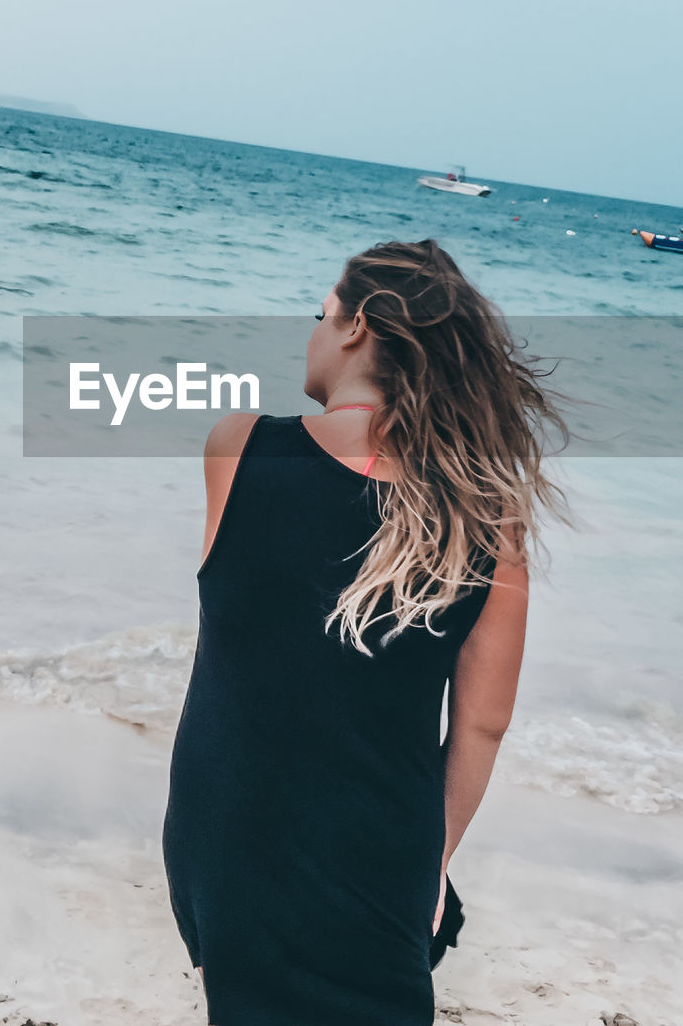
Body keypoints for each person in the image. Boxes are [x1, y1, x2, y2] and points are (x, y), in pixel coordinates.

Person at [162, 238, 571, 1025]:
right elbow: (482, 725)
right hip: (385, 860)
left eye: (320, 314)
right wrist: (433, 863)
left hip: (231, 842)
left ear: (356, 328)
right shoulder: (485, 526)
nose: (311, 333)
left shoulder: (241, 448)